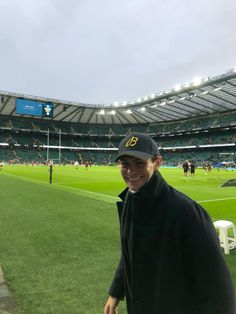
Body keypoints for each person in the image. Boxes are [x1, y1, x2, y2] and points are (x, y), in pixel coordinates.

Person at [104, 132, 235, 314]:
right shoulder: (129, 200)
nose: (130, 171)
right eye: (125, 164)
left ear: (157, 163)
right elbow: (131, 251)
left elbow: (219, 290)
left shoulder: (187, 212)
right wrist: (116, 292)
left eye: (139, 163)